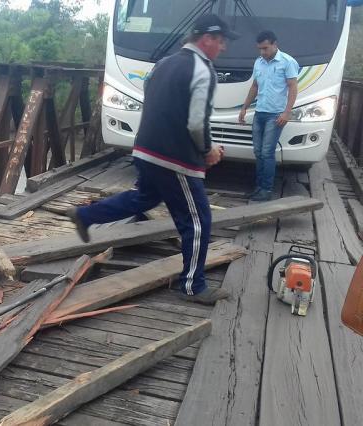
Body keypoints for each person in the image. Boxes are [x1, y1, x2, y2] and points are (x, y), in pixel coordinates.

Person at [67, 14, 238, 305]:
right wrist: (208, 149)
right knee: (198, 222)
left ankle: (85, 216)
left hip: (146, 150)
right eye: (220, 42)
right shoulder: (203, 69)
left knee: (143, 198)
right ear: (206, 39)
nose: (223, 48)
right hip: (175, 159)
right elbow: (197, 122)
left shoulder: (163, 64)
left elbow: (157, 103)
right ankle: (193, 287)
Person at [239, 30, 299, 202]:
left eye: (265, 48)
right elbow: (254, 87)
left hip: (276, 115)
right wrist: (244, 108)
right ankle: (258, 188)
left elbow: (293, 88)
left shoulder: (287, 62)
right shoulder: (259, 62)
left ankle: (266, 190)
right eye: (260, 49)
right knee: (258, 152)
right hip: (260, 113)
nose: (262, 52)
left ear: (275, 44)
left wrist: (287, 112)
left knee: (267, 152)